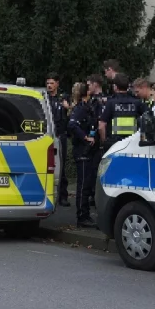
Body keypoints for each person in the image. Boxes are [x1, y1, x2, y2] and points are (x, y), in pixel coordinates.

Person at [67, 83, 98, 228]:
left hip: (88, 151)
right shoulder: (80, 109)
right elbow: (72, 125)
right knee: (83, 185)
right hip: (82, 151)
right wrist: (85, 138)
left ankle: (85, 214)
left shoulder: (88, 107)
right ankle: (82, 216)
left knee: (87, 183)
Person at [99, 73, 148, 149]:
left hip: (114, 144)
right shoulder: (137, 102)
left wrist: (104, 142)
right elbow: (148, 121)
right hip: (133, 143)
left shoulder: (111, 103)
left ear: (115, 87)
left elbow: (101, 126)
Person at [46, 73, 71, 207]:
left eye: (52, 83)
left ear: (57, 84)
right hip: (48, 135)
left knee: (61, 166)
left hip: (60, 135)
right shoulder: (44, 98)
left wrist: (68, 108)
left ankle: (63, 195)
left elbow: (72, 114)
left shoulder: (63, 98)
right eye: (48, 83)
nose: (49, 85)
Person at [85, 74, 105, 206]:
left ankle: (94, 194)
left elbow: (99, 122)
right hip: (95, 138)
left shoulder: (99, 101)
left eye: (89, 85)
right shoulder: (98, 99)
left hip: (97, 139)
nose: (88, 87)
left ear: (95, 84)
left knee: (95, 168)